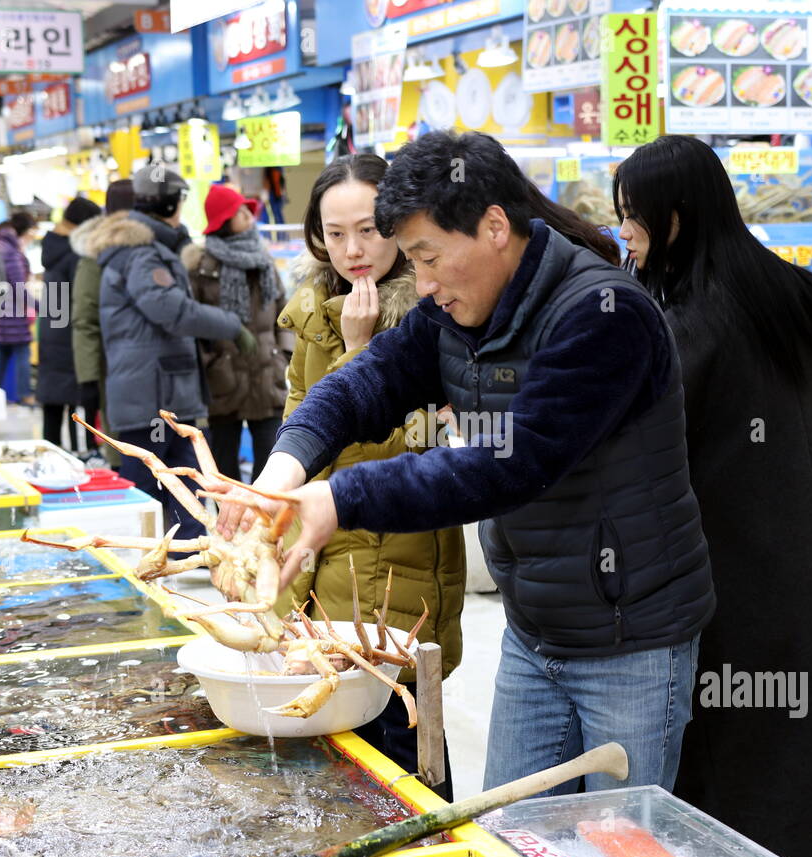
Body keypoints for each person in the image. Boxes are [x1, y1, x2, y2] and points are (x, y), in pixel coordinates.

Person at [214, 131, 715, 797]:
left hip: (634, 641)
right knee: (513, 836)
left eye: (427, 257)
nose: (420, 282)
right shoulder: (452, 312)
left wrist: (342, 499)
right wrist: (280, 478)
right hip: (535, 631)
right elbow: (363, 384)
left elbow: (511, 462)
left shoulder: (603, 313)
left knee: (617, 842)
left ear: (495, 227)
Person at [613, 135, 812, 857]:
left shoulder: (683, 318)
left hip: (743, 578)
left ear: (676, 218)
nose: (623, 232)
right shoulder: (796, 289)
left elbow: (643, 449)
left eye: (633, 215)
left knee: (750, 766)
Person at [230, 156, 466, 795]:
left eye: (368, 229)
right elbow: (295, 428)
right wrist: (259, 515)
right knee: (335, 775)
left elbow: (411, 453)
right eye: (335, 234)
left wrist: (361, 351)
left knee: (403, 760)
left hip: (393, 567)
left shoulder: (439, 313)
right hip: (315, 561)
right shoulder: (312, 310)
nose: (353, 250)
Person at [96, 163, 239, 541]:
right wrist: (230, 325)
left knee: (180, 477)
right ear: (171, 203)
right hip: (151, 393)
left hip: (160, 389)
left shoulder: (146, 248)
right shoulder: (143, 254)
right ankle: (149, 555)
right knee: (149, 482)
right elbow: (171, 310)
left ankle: (188, 551)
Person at [183, 184, 288, 481]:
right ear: (224, 220)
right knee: (222, 463)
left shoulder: (264, 261)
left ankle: (262, 523)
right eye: (240, 212)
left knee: (271, 459)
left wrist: (284, 353)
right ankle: (228, 523)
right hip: (223, 379)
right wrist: (208, 363)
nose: (249, 217)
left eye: (247, 210)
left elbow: (284, 311)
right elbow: (193, 322)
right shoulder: (201, 268)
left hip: (267, 373)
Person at [71, 179, 135, 467]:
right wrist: (88, 377)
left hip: (151, 372)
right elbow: (85, 320)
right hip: (117, 369)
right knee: (127, 452)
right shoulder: (95, 254)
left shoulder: (159, 243)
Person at [39, 197, 103, 451]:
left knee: (53, 404)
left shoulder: (52, 247)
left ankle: (50, 457)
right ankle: (88, 455)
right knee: (85, 400)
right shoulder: (76, 254)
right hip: (72, 334)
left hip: (52, 329)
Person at [0, 211, 38, 404]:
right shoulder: (11, 251)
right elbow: (19, 287)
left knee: (3, 353)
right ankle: (25, 394)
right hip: (12, 311)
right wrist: (40, 306)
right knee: (21, 351)